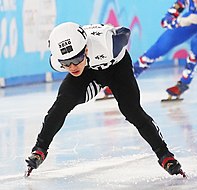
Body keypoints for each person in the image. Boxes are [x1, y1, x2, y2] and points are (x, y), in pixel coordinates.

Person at [25, 22, 185, 177]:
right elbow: (74, 64)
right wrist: (78, 63)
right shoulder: (59, 61)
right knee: (61, 105)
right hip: (87, 71)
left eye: (76, 59)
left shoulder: (108, 44)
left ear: (86, 50)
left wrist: (107, 30)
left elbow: (125, 32)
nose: (72, 66)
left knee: (132, 111)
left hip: (117, 68)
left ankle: (165, 156)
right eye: (67, 63)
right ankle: (39, 150)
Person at [134, 0, 197, 99]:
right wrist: (180, 21)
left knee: (196, 45)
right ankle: (129, 77)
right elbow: (165, 21)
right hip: (193, 20)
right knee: (162, 45)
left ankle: (184, 83)